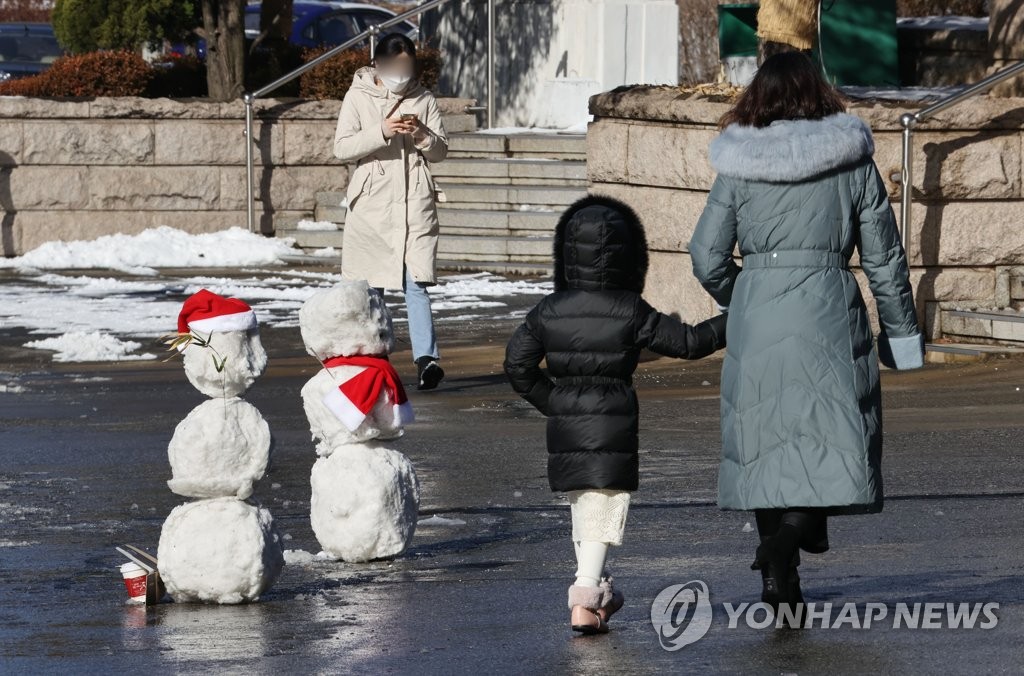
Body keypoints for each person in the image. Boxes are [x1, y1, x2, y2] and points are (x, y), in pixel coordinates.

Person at [688, 51, 925, 624]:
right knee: (828, 434)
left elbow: (706, 255)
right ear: (820, 92)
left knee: (767, 440)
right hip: (828, 307)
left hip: (759, 309)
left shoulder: (740, 164)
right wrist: (902, 339)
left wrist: (742, 293)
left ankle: (779, 573)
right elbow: (885, 260)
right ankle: (790, 540)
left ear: (758, 98)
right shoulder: (851, 161)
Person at [504, 195, 728, 635]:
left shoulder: (549, 310)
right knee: (602, 510)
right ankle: (585, 599)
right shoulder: (629, 308)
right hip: (612, 418)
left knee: (584, 508)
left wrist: (557, 404)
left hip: (568, 421)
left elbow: (517, 366)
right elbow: (689, 343)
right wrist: (737, 320)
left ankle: (597, 594)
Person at [333, 33, 448, 390]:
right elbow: (342, 148)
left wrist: (422, 135)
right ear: (378, 65)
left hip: (414, 203)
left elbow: (441, 151)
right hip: (373, 204)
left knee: (417, 284)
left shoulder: (424, 98)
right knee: (373, 286)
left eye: (407, 65)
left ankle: (427, 360)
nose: (401, 73)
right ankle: (372, 359)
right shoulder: (358, 96)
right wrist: (382, 130)